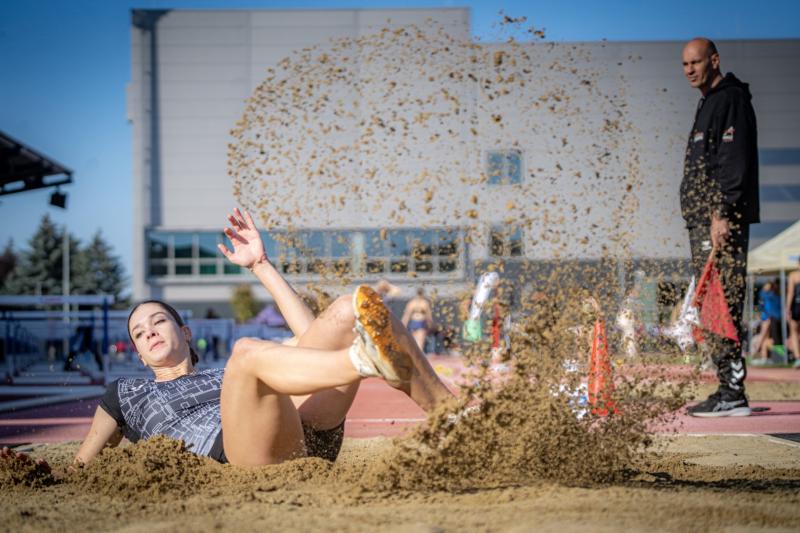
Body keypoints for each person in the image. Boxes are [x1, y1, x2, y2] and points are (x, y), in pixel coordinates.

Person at [70, 208, 454, 467]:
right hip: (235, 457)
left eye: (158, 321)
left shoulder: (225, 377)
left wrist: (260, 265)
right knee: (248, 353)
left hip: (304, 437)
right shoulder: (126, 392)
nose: (149, 330)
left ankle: (454, 415)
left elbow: (311, 340)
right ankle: (363, 360)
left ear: (185, 332)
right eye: (139, 332)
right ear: (137, 353)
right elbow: (83, 463)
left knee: (349, 309)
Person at [680, 38, 760, 417]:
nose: (690, 70)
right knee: (712, 304)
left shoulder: (730, 100)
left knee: (723, 303)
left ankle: (733, 391)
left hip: (719, 222)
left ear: (714, 60)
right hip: (703, 221)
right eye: (685, 64)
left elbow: (733, 160)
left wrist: (722, 213)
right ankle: (726, 386)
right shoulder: (707, 102)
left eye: (696, 62)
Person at [751, 280, 782, 364]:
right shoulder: (771, 295)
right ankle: (763, 356)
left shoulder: (772, 295)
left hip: (770, 318)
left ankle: (756, 351)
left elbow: (765, 301)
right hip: (768, 317)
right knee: (765, 337)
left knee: (764, 336)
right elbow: (763, 303)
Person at [401, 287, 434, 353]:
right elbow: (407, 315)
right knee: (418, 343)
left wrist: (403, 324)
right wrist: (430, 324)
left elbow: (406, 316)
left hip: (417, 323)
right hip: (417, 323)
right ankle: (416, 358)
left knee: (417, 342)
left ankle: (416, 357)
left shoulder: (414, 303)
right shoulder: (422, 303)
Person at [786, 260, 800, 366]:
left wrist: (787, 308)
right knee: (794, 331)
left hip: (796, 306)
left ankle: (797, 357)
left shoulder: (793, 275)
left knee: (794, 332)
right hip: (796, 306)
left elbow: (790, 293)